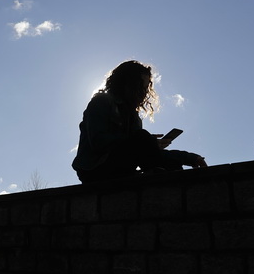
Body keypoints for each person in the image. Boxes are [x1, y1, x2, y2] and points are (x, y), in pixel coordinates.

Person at [72, 60, 206, 183]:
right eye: (141, 86)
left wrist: (190, 158)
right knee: (142, 138)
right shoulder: (101, 101)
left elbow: (151, 154)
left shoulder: (134, 117)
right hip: (94, 170)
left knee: (173, 165)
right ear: (127, 83)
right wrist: (143, 142)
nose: (144, 93)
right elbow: (99, 141)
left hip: (121, 167)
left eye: (146, 88)